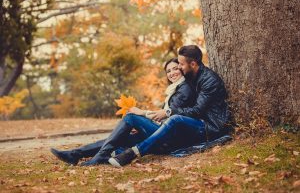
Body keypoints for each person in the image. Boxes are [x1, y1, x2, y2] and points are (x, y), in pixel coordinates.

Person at [50, 58, 195, 166]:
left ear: (182, 69)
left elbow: (167, 116)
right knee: (119, 137)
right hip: (160, 132)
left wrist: (142, 113)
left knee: (131, 116)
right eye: (168, 71)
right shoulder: (174, 89)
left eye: (175, 68)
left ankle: (101, 156)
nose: (172, 73)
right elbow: (163, 116)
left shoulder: (184, 89)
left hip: (168, 139)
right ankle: (75, 154)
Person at [108, 45, 233, 167]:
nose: (178, 67)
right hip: (197, 122)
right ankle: (111, 152)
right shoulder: (193, 76)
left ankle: (133, 153)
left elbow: (197, 110)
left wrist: (168, 112)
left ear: (193, 64)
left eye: (181, 64)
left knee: (175, 119)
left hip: (210, 127)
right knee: (131, 134)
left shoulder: (209, 80)